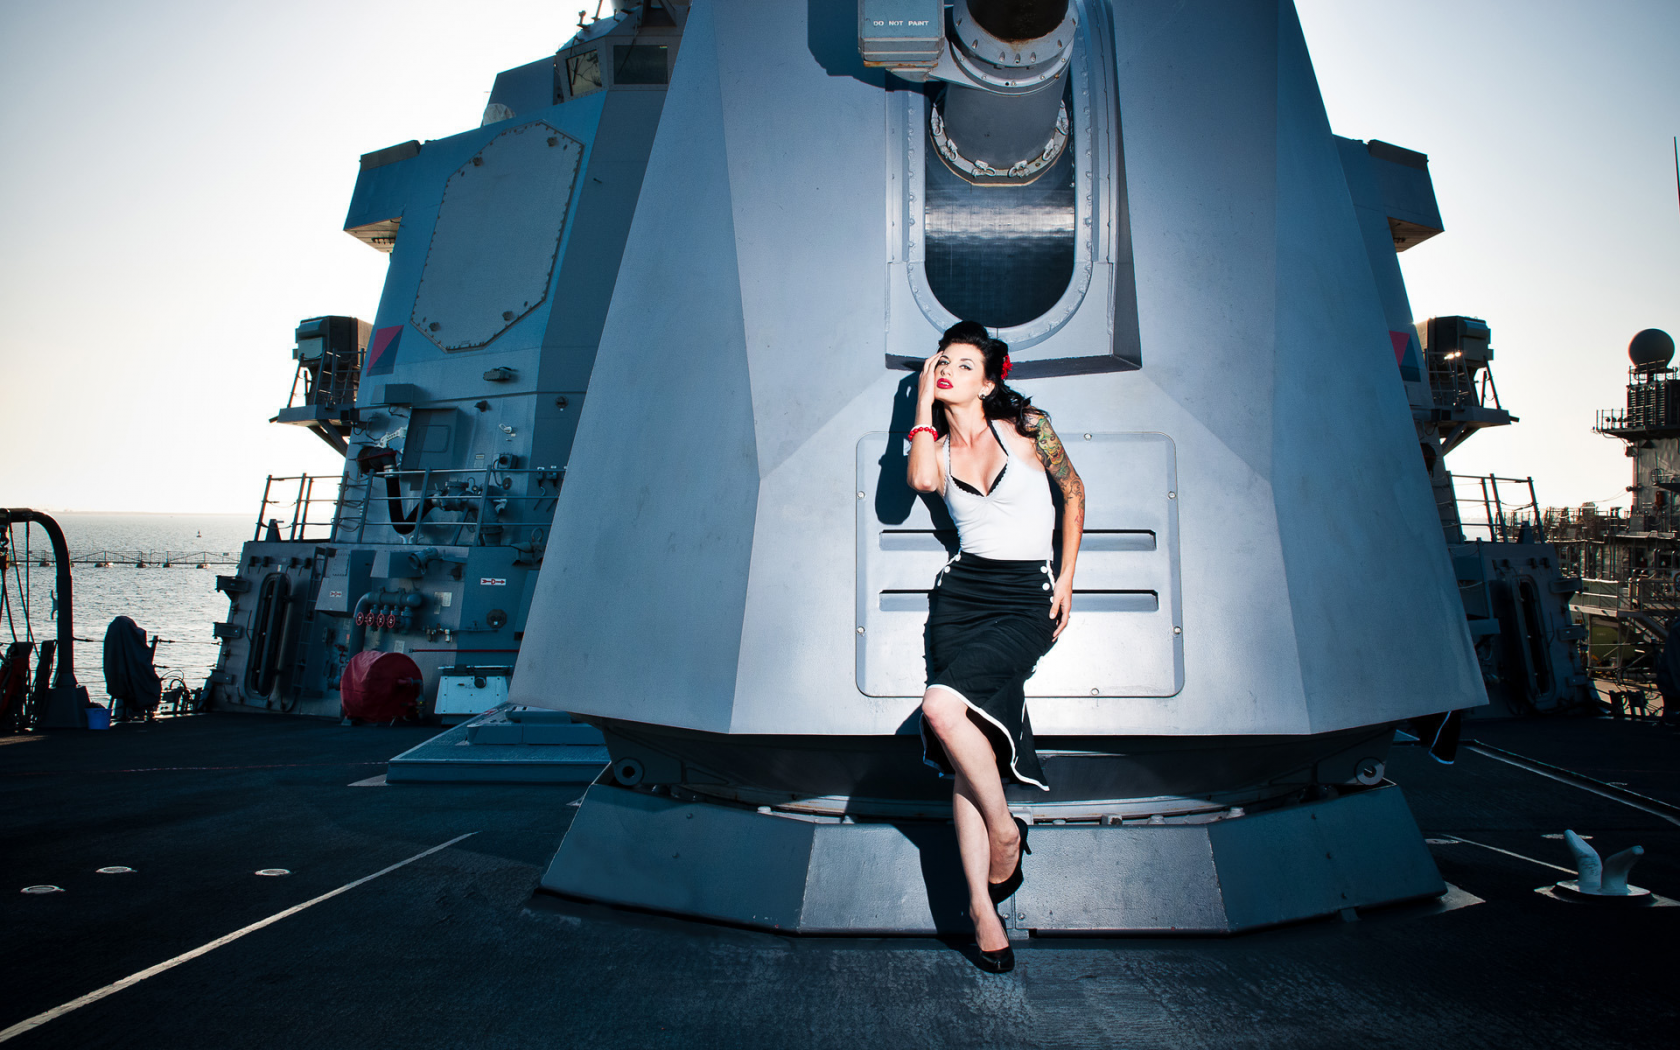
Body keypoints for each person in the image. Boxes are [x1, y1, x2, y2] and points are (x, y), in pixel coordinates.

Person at [907, 320, 1085, 973]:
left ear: (989, 379)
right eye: (941, 361)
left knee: (940, 710)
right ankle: (984, 910)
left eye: (963, 363)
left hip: (1022, 600)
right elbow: (923, 485)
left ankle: (1006, 831)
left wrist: (1066, 576)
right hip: (960, 600)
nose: (949, 369)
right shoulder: (930, 443)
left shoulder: (1031, 426)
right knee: (963, 752)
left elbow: (1073, 492)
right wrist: (924, 404)